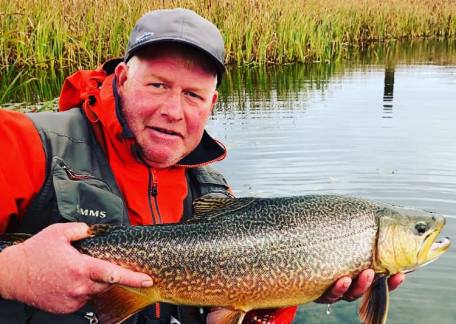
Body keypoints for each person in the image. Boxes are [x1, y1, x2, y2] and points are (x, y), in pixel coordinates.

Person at [0, 8, 404, 324]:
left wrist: (283, 296)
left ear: (212, 105)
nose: (172, 110)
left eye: (193, 95)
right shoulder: (24, 143)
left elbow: (225, 316)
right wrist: (13, 272)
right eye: (157, 85)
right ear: (122, 79)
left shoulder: (215, 196)